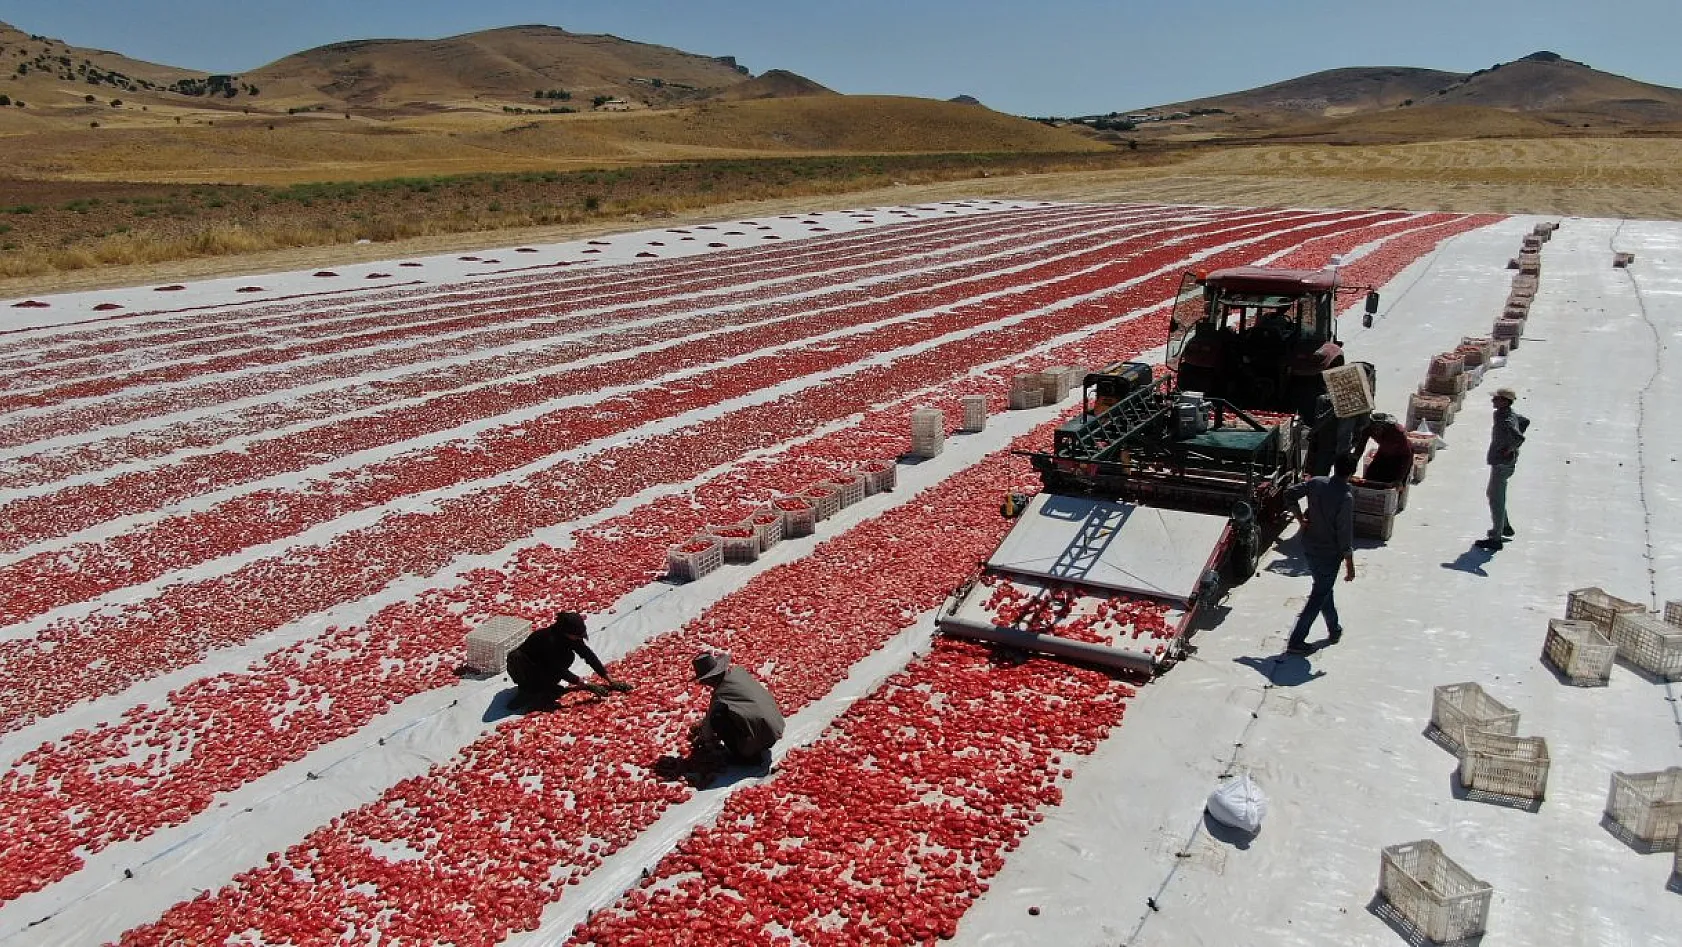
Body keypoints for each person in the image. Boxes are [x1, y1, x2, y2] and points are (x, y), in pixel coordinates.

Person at [1282, 453, 1357, 655]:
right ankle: (1297, 641)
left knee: (1324, 590)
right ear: (1352, 472)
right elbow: (1344, 533)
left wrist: (1300, 519)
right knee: (1318, 596)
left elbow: (1289, 494)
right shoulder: (1346, 498)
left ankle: (1334, 629)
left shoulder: (1315, 483)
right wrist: (1350, 564)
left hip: (1309, 547)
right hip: (1329, 554)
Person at [505, 611, 633, 706]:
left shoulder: (572, 638)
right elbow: (557, 669)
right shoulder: (548, 640)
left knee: (568, 657)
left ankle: (546, 686)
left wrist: (610, 679)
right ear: (566, 632)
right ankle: (526, 692)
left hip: (544, 665)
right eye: (577, 635)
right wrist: (587, 685)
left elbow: (588, 655)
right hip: (526, 666)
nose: (579, 638)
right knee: (517, 659)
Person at [691, 652, 785, 766]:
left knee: (717, 718)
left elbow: (707, 732)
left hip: (765, 736)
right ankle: (754, 742)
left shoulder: (720, 694)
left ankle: (745, 757)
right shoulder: (739, 673)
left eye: (704, 681)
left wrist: (702, 739)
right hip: (776, 726)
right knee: (724, 712)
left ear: (709, 679)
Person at [1476, 388, 1530, 550]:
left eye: (1496, 399)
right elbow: (1525, 421)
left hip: (1502, 463)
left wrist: (1509, 449)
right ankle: (1504, 526)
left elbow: (1519, 437)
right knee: (1494, 494)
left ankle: (1496, 538)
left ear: (1505, 401)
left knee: (1496, 498)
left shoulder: (1505, 419)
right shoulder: (1506, 414)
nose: (1493, 401)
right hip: (1502, 462)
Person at [1355, 412, 1413, 485]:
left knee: (1394, 482)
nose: (1376, 431)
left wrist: (1400, 479)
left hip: (1400, 456)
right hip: (1384, 452)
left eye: (1379, 428)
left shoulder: (1397, 432)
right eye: (1374, 428)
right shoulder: (1368, 428)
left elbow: (1406, 456)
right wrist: (1353, 464)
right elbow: (1360, 447)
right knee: (1370, 477)